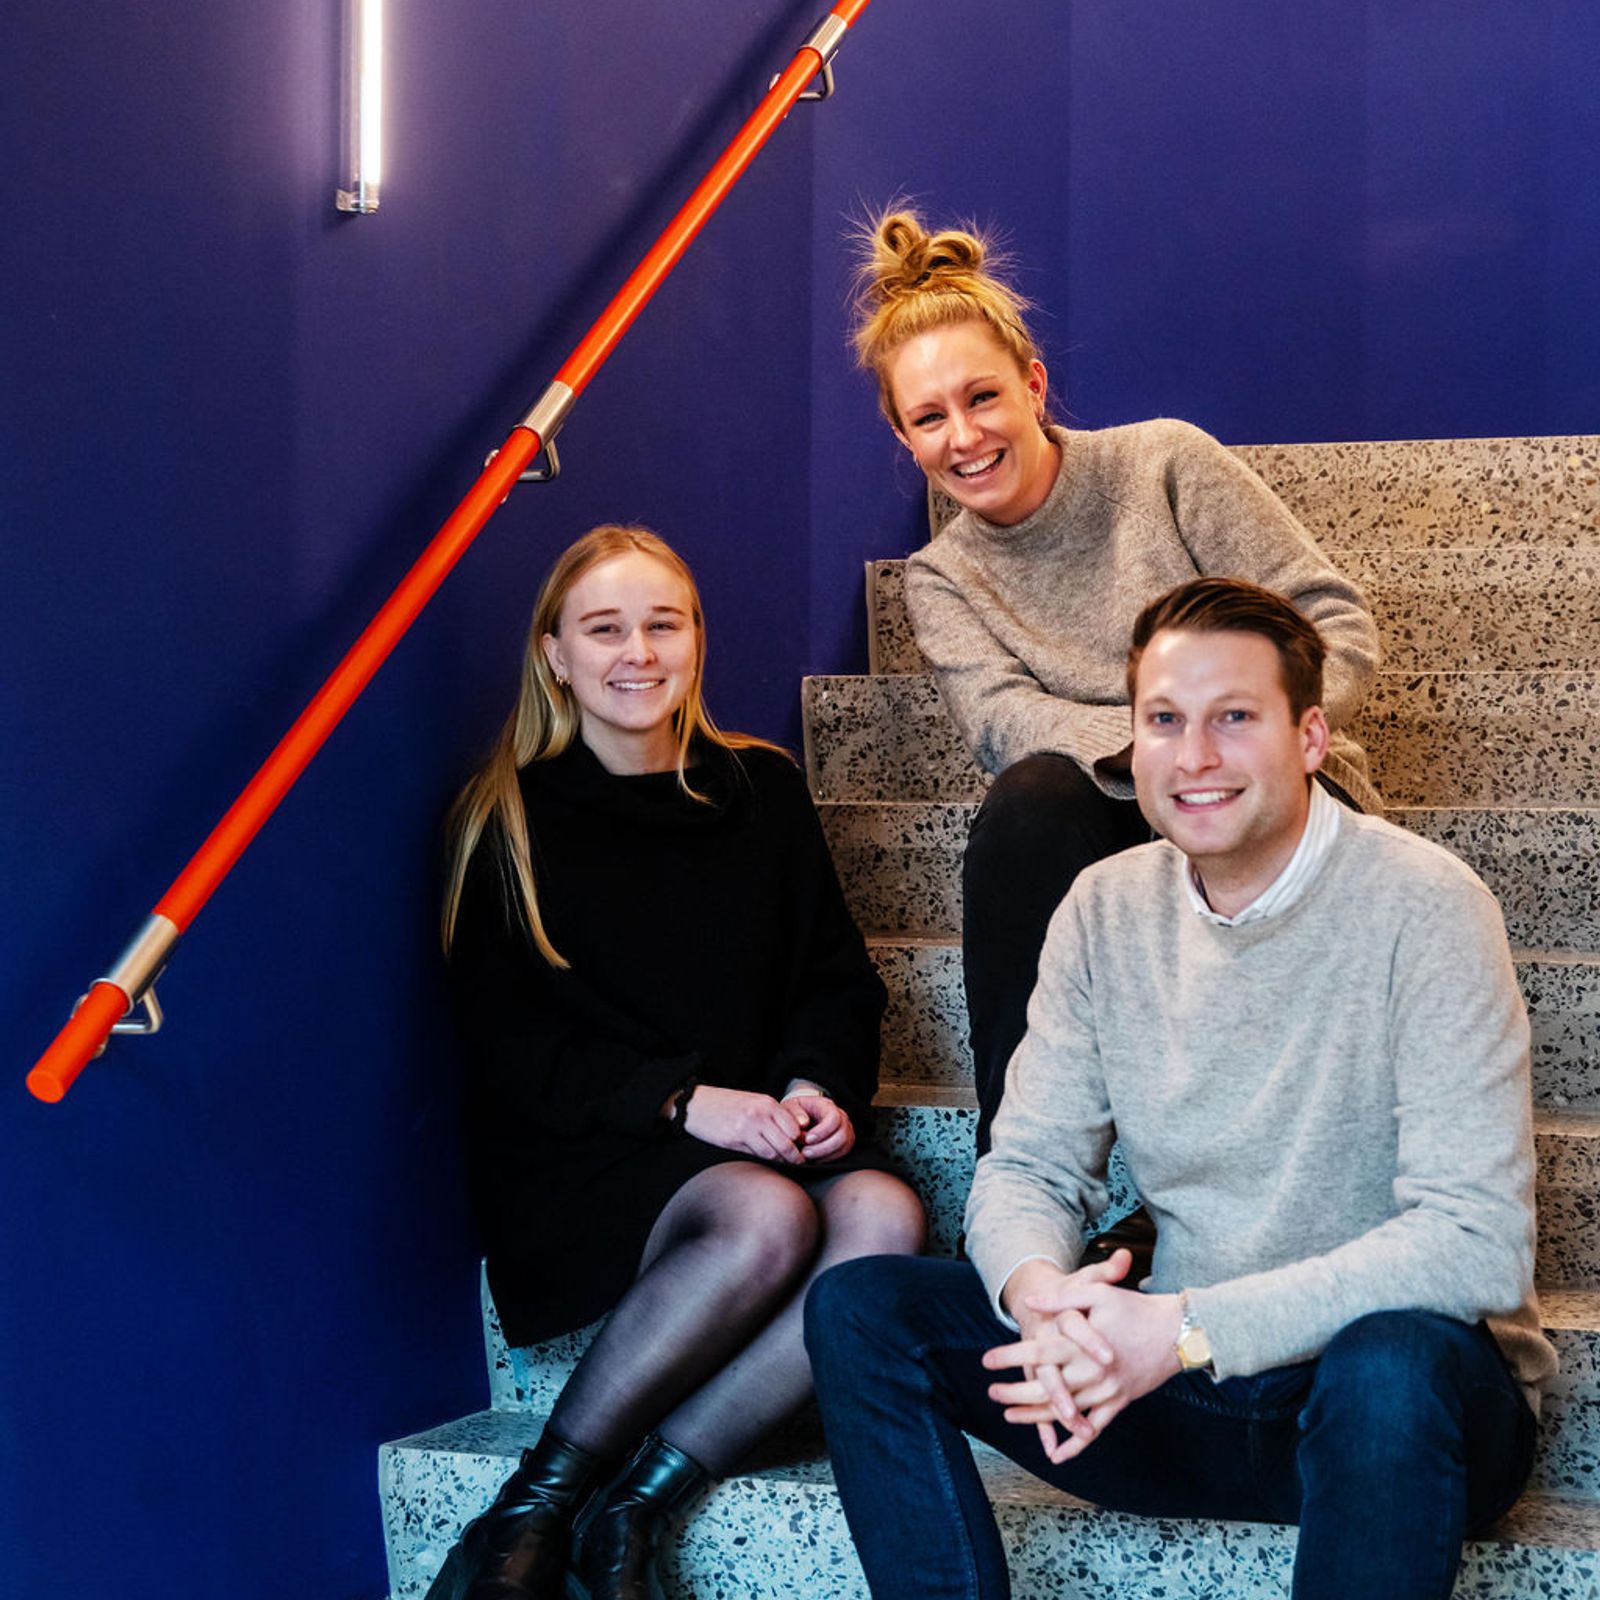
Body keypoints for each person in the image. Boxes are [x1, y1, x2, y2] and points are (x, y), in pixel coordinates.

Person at [805, 577, 1555, 1600]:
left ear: (1311, 737)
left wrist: (1184, 1328)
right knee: (861, 1307)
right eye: (1163, 720)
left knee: (1385, 1362)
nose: (1193, 756)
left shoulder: (1425, 905)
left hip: (1405, 1414)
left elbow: (1472, 1239)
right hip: (1186, 1387)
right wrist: (1041, 1297)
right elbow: (1029, 1166)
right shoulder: (1103, 908)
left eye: (1233, 717)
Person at [432, 525, 926, 1600]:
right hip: (591, 1155)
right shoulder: (505, 817)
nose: (639, 652)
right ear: (555, 654)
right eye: (605, 629)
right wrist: (683, 1101)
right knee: (767, 1215)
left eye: (664, 624)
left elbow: (836, 981)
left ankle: (637, 1506)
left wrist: (816, 1086)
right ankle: (526, 1512)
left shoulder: (762, 790)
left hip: (754, 1134)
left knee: (884, 1215)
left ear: (697, 640)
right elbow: (513, 1045)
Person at [852, 208, 1384, 1154]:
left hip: (1264, 780)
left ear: (1033, 384)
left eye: (982, 397)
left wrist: (1227, 745)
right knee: (1027, 801)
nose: (964, 436)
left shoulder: (1164, 464)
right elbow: (1003, 721)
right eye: (929, 418)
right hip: (1100, 803)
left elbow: (1333, 624)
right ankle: (1023, 1169)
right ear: (903, 434)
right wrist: (1164, 751)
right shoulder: (941, 577)